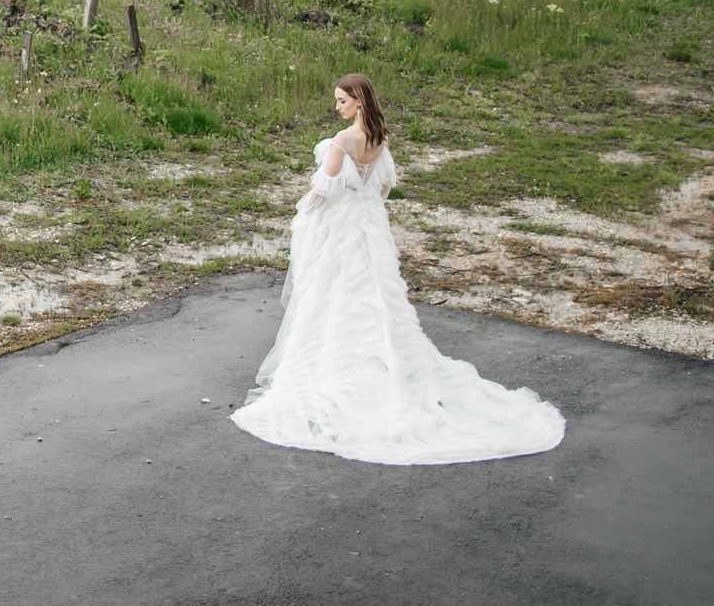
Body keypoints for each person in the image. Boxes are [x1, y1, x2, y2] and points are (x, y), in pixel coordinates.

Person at [230, 73, 565, 465]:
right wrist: (365, 201)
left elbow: (325, 187)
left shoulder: (343, 140)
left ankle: (335, 367)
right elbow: (386, 184)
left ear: (358, 101)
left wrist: (303, 215)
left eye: (341, 101)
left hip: (342, 225)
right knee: (373, 290)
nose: (336, 107)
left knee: (334, 290)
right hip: (370, 223)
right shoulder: (378, 137)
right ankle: (385, 361)